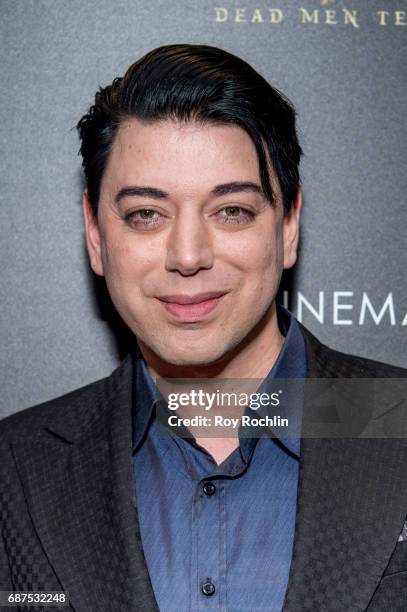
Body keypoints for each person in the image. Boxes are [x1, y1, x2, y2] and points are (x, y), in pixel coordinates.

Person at [0, 44, 406, 612]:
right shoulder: (13, 472)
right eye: (147, 214)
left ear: (288, 224)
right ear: (96, 233)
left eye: (231, 211)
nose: (188, 255)